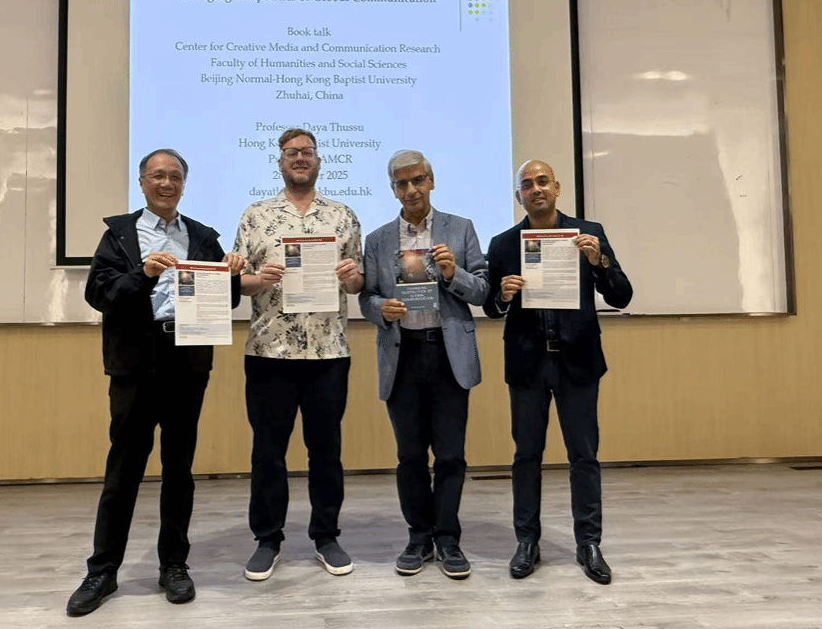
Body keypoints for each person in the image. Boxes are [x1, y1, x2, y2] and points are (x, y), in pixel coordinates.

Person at [66, 149, 245, 616]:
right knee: (123, 470)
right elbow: (99, 294)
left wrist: (231, 275)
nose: (167, 183)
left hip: (186, 362)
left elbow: (222, 302)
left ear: (184, 184)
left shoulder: (202, 236)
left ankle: (174, 565)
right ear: (142, 182)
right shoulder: (120, 235)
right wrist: (143, 274)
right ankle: (102, 571)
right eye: (158, 176)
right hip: (134, 363)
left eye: (175, 177)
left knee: (179, 470)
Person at [483, 159, 632, 585]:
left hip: (577, 361)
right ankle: (527, 542)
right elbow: (491, 307)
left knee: (584, 455)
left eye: (543, 181)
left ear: (557, 188)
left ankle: (589, 543)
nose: (536, 189)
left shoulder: (588, 233)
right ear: (519, 197)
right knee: (526, 456)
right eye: (527, 184)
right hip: (528, 363)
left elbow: (621, 296)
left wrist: (599, 261)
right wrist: (502, 295)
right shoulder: (503, 244)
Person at [233, 128, 364, 581]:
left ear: (319, 160)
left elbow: (359, 282)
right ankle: (268, 540)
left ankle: (326, 536)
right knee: (268, 452)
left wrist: (352, 277)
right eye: (291, 152)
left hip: (329, 352)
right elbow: (237, 282)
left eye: (307, 151)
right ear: (280, 162)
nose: (300, 158)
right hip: (269, 352)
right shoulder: (255, 215)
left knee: (326, 451)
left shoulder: (343, 216)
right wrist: (259, 280)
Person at [359, 150, 488, 579]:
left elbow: (483, 290)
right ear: (393, 189)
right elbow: (366, 297)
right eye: (402, 183)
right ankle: (418, 537)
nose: (411, 189)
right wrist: (381, 309)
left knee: (450, 455)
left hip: (447, 353)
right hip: (403, 355)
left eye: (418, 180)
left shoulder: (460, 228)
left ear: (431, 181)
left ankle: (448, 539)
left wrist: (453, 274)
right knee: (410, 456)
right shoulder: (378, 239)